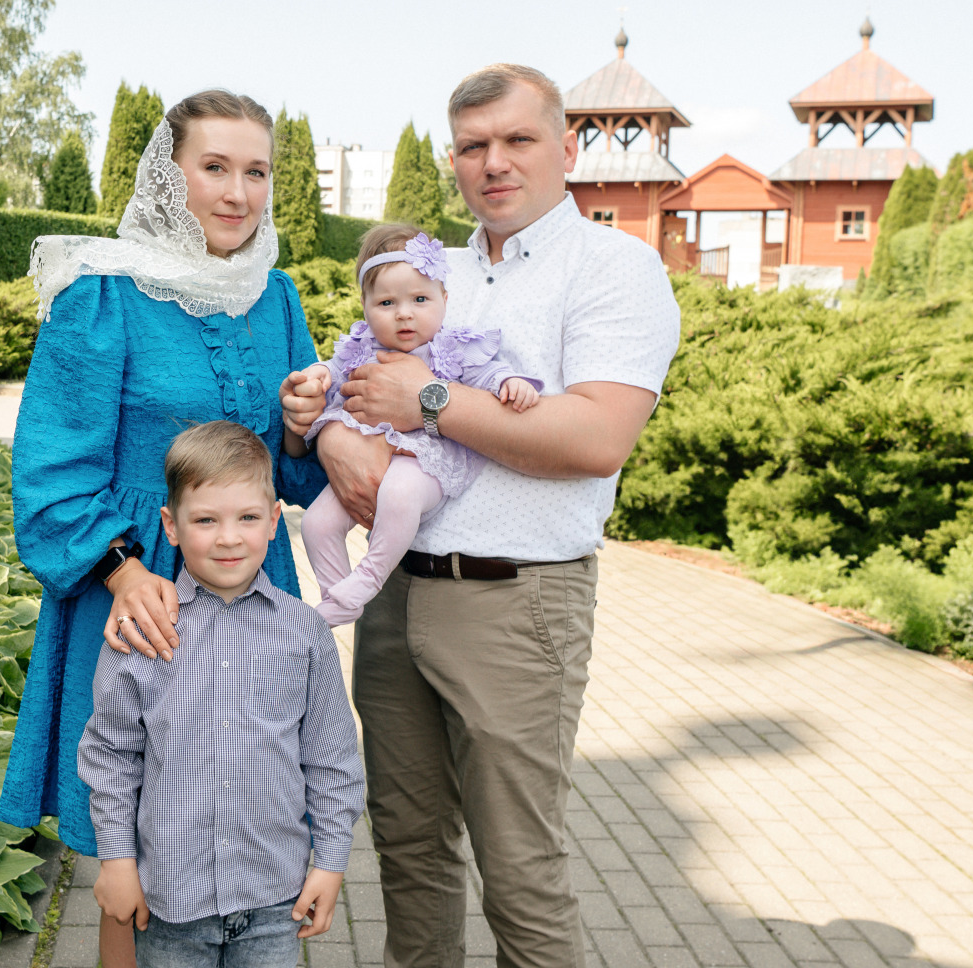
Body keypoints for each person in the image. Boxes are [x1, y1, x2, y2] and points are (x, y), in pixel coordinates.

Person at [280, 64, 680, 968]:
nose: (492, 162)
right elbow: (354, 390)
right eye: (471, 146)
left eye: (516, 140)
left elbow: (595, 437)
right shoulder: (429, 270)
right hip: (392, 600)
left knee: (521, 874)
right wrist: (317, 426)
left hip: (515, 605)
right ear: (452, 159)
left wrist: (424, 399)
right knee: (409, 857)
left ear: (567, 147)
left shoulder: (615, 268)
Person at [1, 91, 328, 968]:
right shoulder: (103, 294)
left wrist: (301, 427)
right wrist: (120, 570)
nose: (236, 192)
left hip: (254, 594)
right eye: (213, 168)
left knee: (244, 811)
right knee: (133, 847)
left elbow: (291, 477)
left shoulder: (276, 296)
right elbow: (49, 472)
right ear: (166, 177)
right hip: (134, 600)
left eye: (254, 171)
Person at [79, 421, 364, 965]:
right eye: (205, 520)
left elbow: (331, 760)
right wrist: (116, 863)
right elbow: (112, 758)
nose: (228, 537)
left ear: (275, 521)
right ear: (171, 526)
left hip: (273, 904)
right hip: (171, 906)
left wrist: (330, 862)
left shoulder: (304, 634)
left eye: (248, 518)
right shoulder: (143, 630)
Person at [289, 224, 540, 624]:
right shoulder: (362, 346)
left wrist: (510, 383)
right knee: (317, 523)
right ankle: (338, 598)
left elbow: (487, 373)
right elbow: (332, 370)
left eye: (420, 299)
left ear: (444, 298)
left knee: (400, 494)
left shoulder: (452, 347)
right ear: (365, 305)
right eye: (386, 303)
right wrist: (317, 375)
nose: (404, 313)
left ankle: (370, 576)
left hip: (425, 460)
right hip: (368, 452)